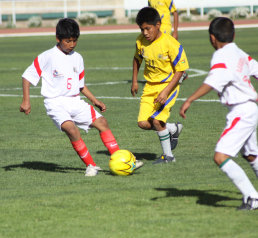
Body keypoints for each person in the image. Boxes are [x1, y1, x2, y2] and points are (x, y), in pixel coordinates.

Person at [20, 18, 143, 177]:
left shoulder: (78, 57)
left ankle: (123, 160)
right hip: (55, 103)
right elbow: (27, 77)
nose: (71, 44)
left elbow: (80, 85)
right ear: (58, 38)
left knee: (102, 122)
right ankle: (91, 166)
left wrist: (94, 100)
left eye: (74, 41)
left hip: (74, 100)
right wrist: (26, 100)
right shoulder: (47, 56)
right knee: (70, 128)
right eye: (68, 41)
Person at [180, 17, 258, 210]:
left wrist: (190, 99)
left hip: (241, 110)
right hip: (249, 108)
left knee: (220, 156)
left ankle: (252, 197)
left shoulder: (221, 55)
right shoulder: (239, 53)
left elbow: (213, 81)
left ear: (212, 38)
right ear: (233, 34)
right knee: (250, 155)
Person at [131, 7, 189, 164]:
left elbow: (181, 71)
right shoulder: (140, 41)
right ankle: (172, 129)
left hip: (168, 86)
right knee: (143, 123)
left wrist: (165, 92)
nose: (145, 33)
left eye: (147, 28)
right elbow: (137, 59)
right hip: (149, 87)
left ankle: (168, 156)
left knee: (157, 121)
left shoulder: (171, 43)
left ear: (158, 25)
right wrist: (135, 80)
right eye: (142, 29)